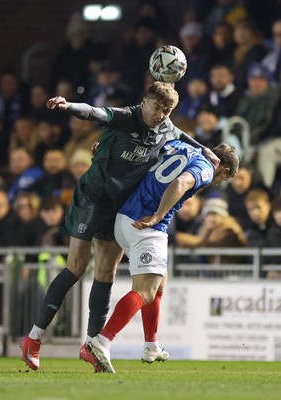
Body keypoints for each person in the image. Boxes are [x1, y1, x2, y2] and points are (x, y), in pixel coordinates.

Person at [20, 81, 220, 371]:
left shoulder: (166, 129)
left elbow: (182, 134)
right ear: (144, 101)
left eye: (166, 111)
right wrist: (68, 106)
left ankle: (92, 347)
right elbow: (95, 112)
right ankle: (34, 338)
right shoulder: (126, 117)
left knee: (106, 273)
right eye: (156, 107)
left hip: (119, 205)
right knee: (76, 266)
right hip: (92, 196)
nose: (160, 115)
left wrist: (206, 149)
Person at [86, 141, 239, 373]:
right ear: (224, 170)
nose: (217, 182)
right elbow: (180, 182)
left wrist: (108, 149)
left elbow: (143, 150)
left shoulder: (180, 145)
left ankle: (151, 345)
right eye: (223, 179)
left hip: (124, 219)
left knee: (160, 279)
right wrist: (158, 215)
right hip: (147, 226)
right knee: (145, 291)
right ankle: (101, 341)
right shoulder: (206, 168)